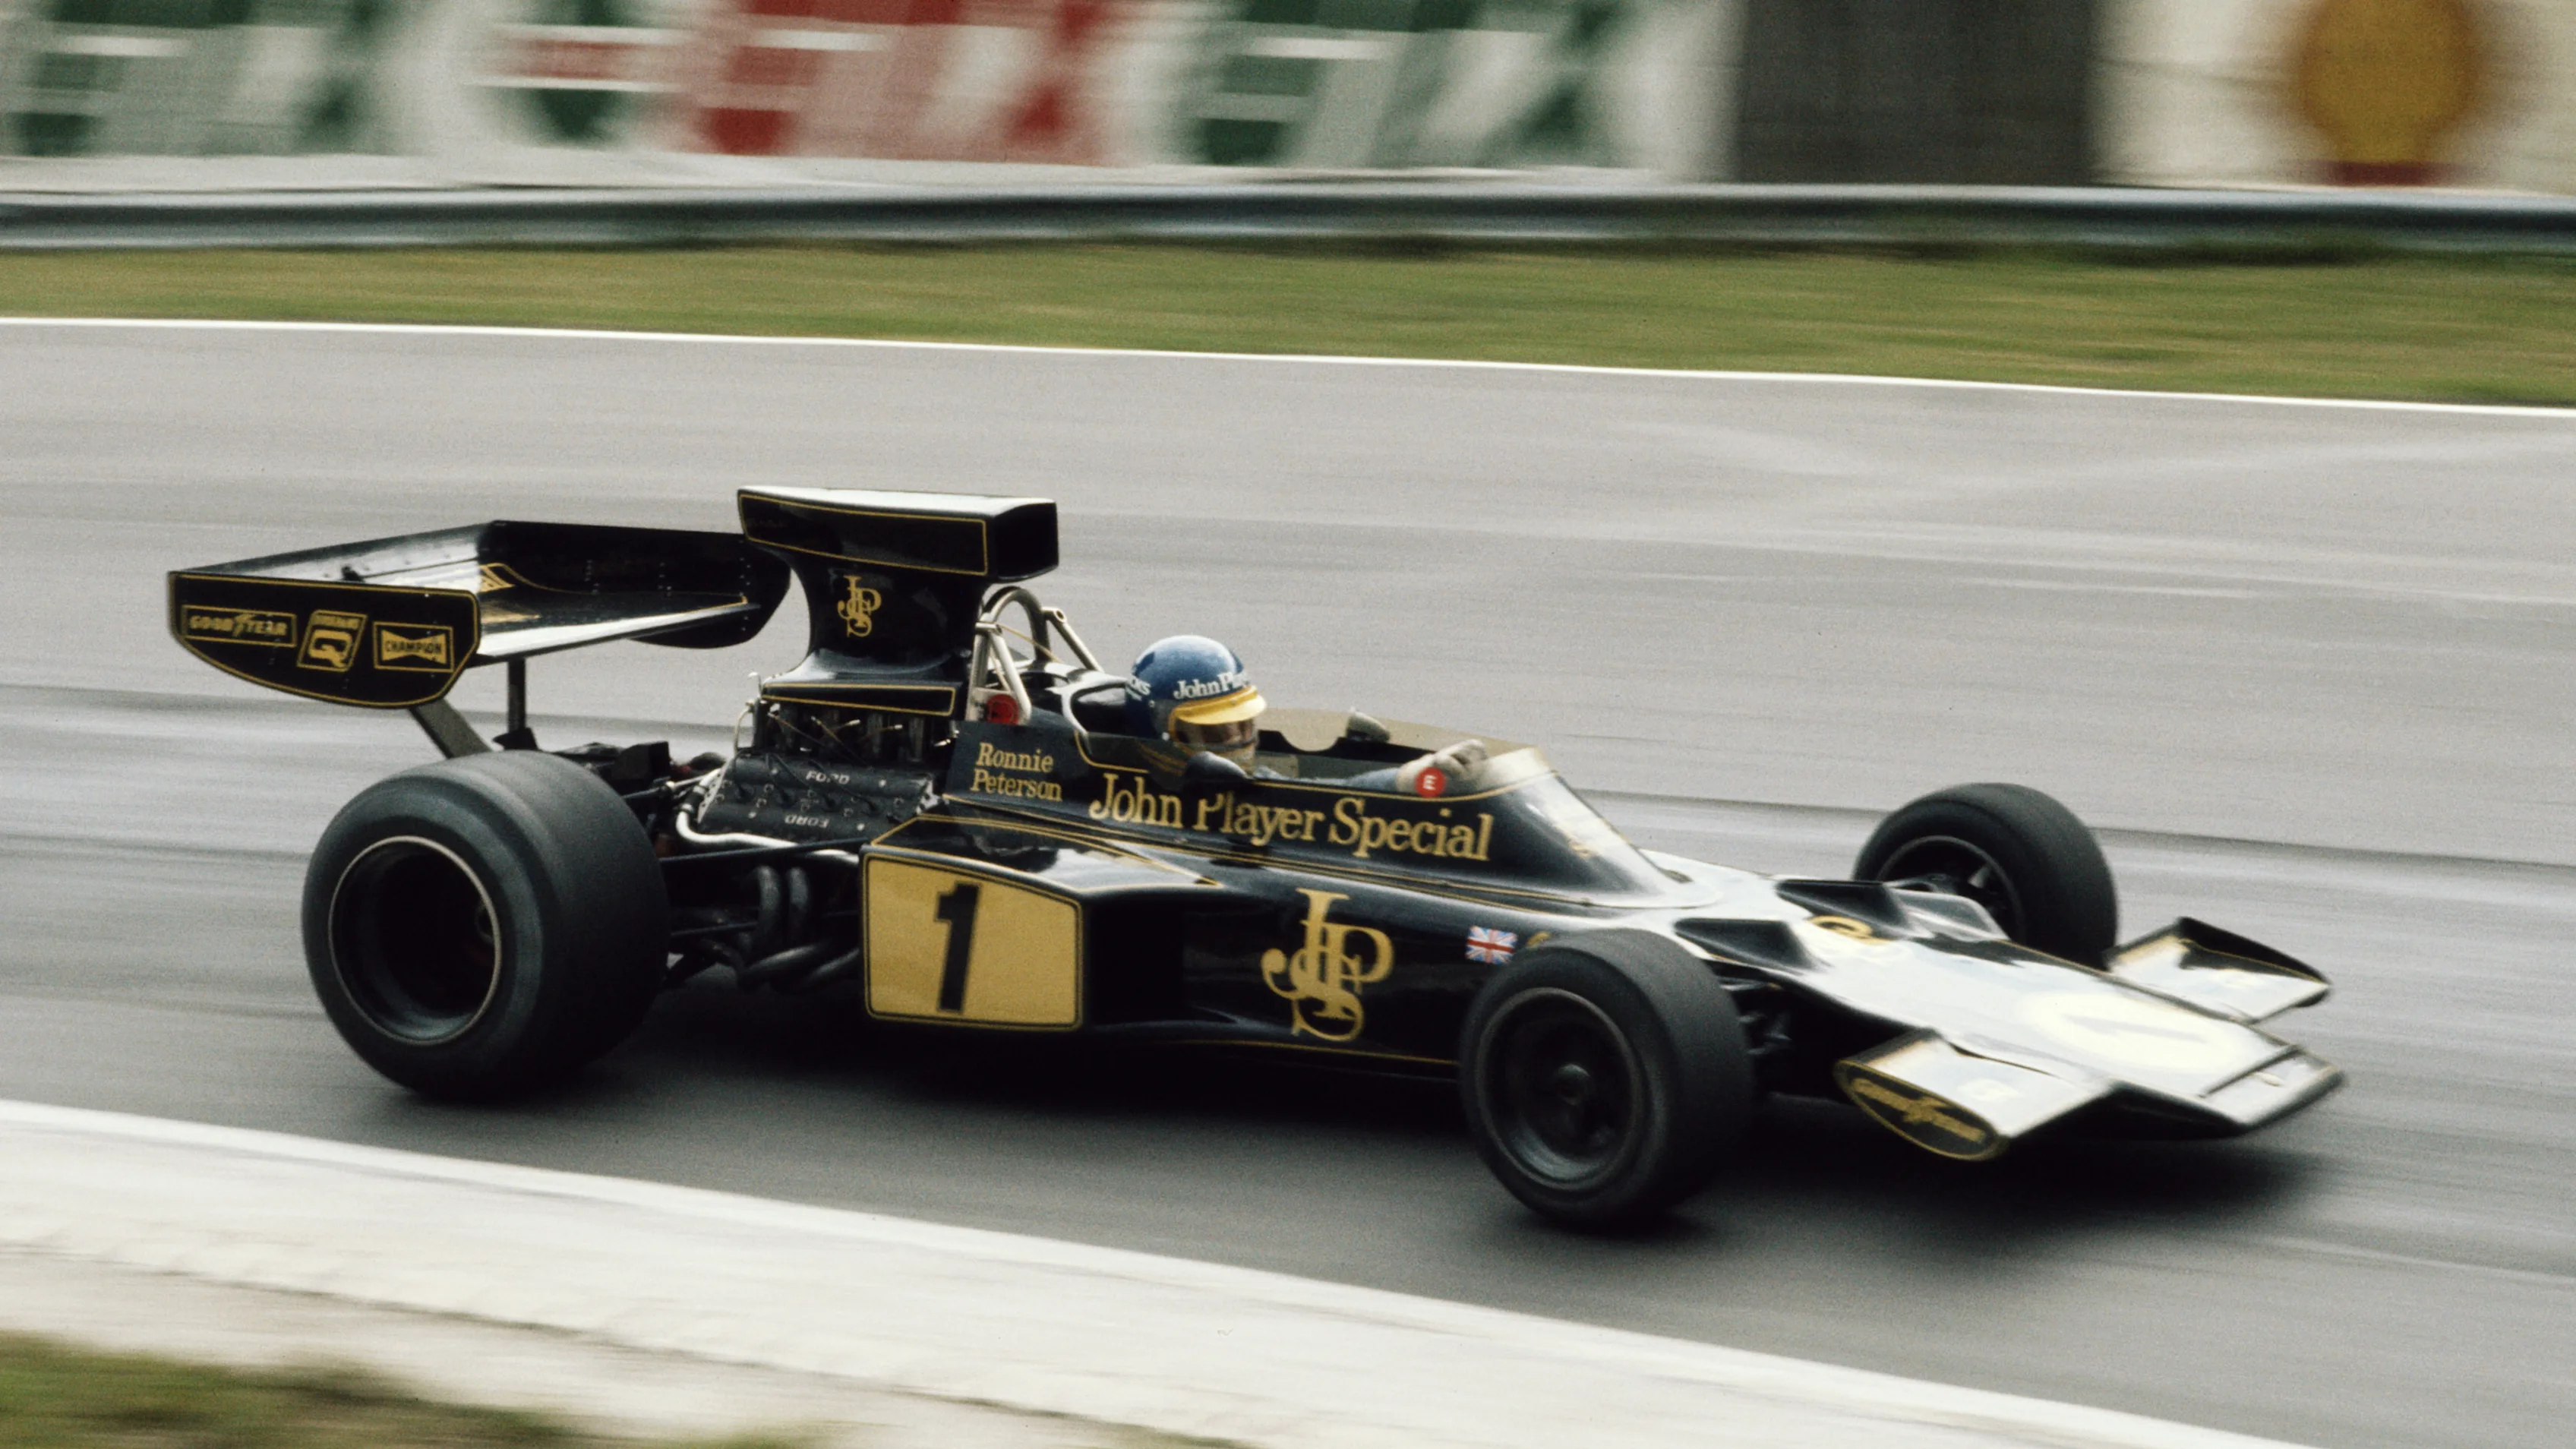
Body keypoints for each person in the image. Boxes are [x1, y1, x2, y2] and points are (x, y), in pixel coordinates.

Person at [1123, 635, 1486, 795]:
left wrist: (1417, 775)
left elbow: (1336, 797)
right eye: (1215, 733)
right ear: (1161, 734)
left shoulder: (1249, 786)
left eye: (1243, 725)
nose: (1238, 742)